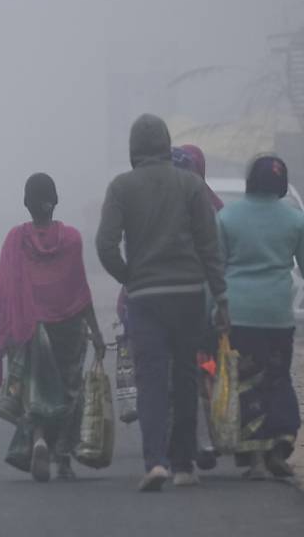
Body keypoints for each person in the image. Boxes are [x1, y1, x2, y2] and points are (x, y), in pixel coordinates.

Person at [96, 114, 229, 492]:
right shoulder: (190, 185)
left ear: (133, 149)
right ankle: (185, 466)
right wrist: (220, 296)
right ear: (165, 145)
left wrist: (128, 275)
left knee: (151, 379)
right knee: (186, 376)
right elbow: (209, 246)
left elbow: (105, 244)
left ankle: (156, 462)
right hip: (188, 295)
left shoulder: (121, 187)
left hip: (146, 297)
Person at [0, 173, 106, 482]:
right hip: (70, 329)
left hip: (31, 328)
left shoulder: (16, 239)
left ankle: (37, 438)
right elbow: (80, 289)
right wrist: (97, 332)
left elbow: (5, 289)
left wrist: (6, 334)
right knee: (69, 391)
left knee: (36, 389)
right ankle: (63, 457)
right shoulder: (72, 239)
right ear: (55, 201)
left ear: (26, 204)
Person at [216, 155, 302, 480]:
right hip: (278, 313)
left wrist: (215, 310)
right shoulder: (295, 219)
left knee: (246, 383)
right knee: (278, 376)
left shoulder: (227, 216)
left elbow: (216, 268)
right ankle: (281, 439)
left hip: (239, 313)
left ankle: (253, 460)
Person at [172, 144, 224, 471]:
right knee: (205, 373)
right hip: (204, 305)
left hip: (173, 303)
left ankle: (184, 442)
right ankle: (210, 437)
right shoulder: (214, 207)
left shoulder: (163, 205)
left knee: (178, 376)